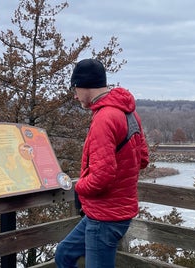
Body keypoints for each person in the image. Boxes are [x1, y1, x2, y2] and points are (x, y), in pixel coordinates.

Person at [55, 58, 150, 268]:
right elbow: (142, 159)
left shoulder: (104, 118)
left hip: (105, 217)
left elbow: (102, 177)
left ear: (84, 85)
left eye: (75, 88)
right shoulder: (129, 112)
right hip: (111, 212)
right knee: (64, 254)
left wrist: (78, 186)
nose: (74, 94)